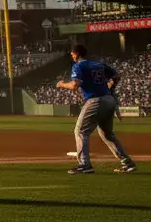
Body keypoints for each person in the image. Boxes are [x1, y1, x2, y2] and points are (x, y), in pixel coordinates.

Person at [58, 45, 135, 175]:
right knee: (107, 134)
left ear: (76, 54)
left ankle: (84, 165)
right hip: (108, 99)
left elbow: (74, 86)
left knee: (81, 131)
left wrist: (61, 84)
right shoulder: (98, 64)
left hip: (95, 100)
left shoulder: (78, 66)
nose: (72, 56)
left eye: (72, 54)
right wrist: (110, 89)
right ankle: (127, 163)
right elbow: (116, 76)